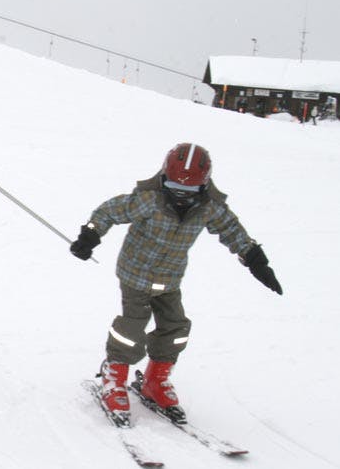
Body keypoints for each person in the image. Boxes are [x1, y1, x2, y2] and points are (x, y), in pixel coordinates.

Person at [69, 143, 281, 424]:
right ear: (163, 177)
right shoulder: (149, 199)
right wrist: (90, 236)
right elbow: (109, 211)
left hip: (170, 278)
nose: (181, 196)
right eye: (174, 187)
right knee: (131, 329)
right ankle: (114, 376)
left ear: (204, 186)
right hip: (136, 274)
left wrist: (256, 260)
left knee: (176, 327)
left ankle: (155, 380)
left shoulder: (209, 208)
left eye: (190, 191)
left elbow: (231, 230)